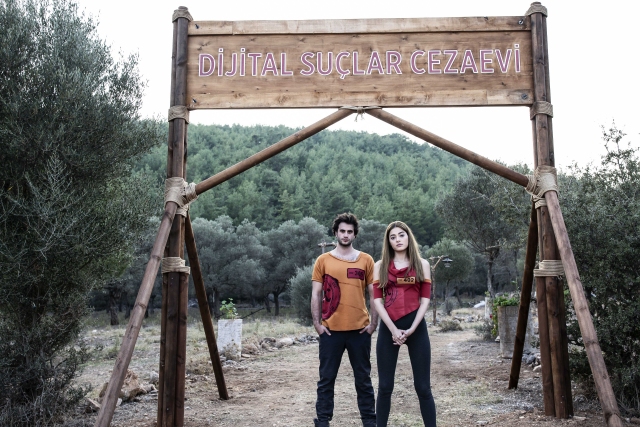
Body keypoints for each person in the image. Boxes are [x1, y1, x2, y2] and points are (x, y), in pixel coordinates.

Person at [311, 213, 378, 427]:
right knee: (326, 379)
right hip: (331, 331)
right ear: (335, 233)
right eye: (342, 231)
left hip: (360, 331)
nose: (346, 235)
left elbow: (374, 294)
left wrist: (373, 324)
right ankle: (323, 421)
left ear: (355, 235)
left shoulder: (366, 260)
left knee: (363, 379)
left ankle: (369, 421)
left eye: (350, 231)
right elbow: (316, 294)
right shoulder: (323, 260)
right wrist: (317, 325)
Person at [372, 221, 436, 427]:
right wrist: (393, 329)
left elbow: (425, 300)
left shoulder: (422, 265)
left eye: (401, 235)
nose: (397, 240)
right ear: (388, 242)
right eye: (393, 237)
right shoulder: (380, 266)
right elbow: (377, 301)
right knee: (385, 387)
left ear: (409, 237)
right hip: (389, 328)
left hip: (416, 328)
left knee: (423, 388)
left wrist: (412, 329)